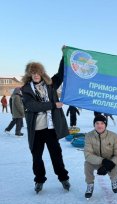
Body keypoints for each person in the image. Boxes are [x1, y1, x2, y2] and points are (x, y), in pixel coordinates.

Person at [21, 46, 70, 193]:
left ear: (42, 73)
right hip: (36, 130)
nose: (36, 75)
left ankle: (63, 178)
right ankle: (39, 180)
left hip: (50, 128)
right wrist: (53, 105)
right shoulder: (26, 89)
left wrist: (64, 56)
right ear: (30, 74)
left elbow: (61, 74)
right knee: (37, 158)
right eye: (33, 73)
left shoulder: (51, 84)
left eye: (38, 72)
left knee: (56, 155)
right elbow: (32, 106)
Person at [84, 114, 117, 198]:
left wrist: (107, 165)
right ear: (94, 125)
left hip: (110, 160)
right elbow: (88, 155)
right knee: (87, 164)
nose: (99, 126)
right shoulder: (88, 136)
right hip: (96, 161)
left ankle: (114, 180)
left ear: (105, 124)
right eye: (97, 123)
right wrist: (102, 161)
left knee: (115, 163)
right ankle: (90, 184)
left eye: (102, 123)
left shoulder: (114, 136)